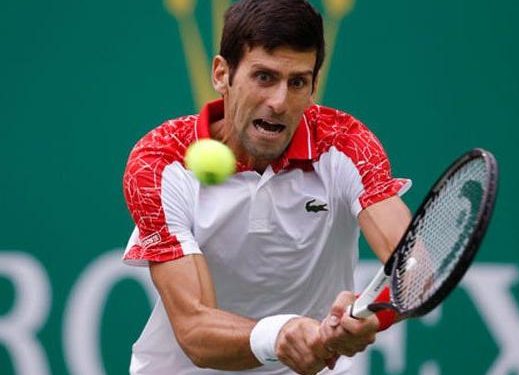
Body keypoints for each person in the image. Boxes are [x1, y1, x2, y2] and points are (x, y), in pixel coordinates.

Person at [122, 0, 412, 374]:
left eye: (297, 83)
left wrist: (373, 315)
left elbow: (413, 266)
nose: (279, 102)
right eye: (264, 77)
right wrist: (279, 335)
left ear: (313, 86)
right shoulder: (160, 162)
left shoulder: (346, 146)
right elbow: (195, 328)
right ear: (221, 74)